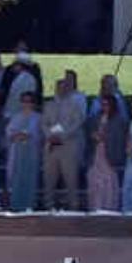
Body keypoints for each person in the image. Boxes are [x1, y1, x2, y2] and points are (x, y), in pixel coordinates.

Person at [40, 76, 87, 210]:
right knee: (49, 178)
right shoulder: (49, 105)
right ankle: (48, 205)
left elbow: (77, 123)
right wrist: (50, 135)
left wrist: (63, 135)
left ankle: (73, 205)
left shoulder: (74, 106)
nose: (61, 90)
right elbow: (43, 123)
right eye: (58, 87)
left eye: (64, 88)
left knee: (70, 178)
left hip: (68, 145)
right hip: (51, 146)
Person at [5, 91, 43, 212]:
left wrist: (29, 136)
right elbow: (9, 131)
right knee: (17, 175)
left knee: (30, 176)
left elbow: (40, 133)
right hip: (17, 149)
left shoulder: (38, 117)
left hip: (31, 150)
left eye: (29, 101)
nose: (26, 104)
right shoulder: (16, 116)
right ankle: (16, 203)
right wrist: (16, 136)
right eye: (24, 101)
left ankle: (29, 203)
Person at [86, 95, 122, 211]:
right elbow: (90, 130)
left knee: (108, 179)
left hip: (109, 152)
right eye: (102, 104)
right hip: (96, 152)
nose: (104, 107)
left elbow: (118, 137)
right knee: (95, 178)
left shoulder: (118, 119)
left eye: (107, 104)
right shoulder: (96, 117)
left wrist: (104, 137)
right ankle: (96, 206)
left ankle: (109, 206)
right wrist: (94, 135)